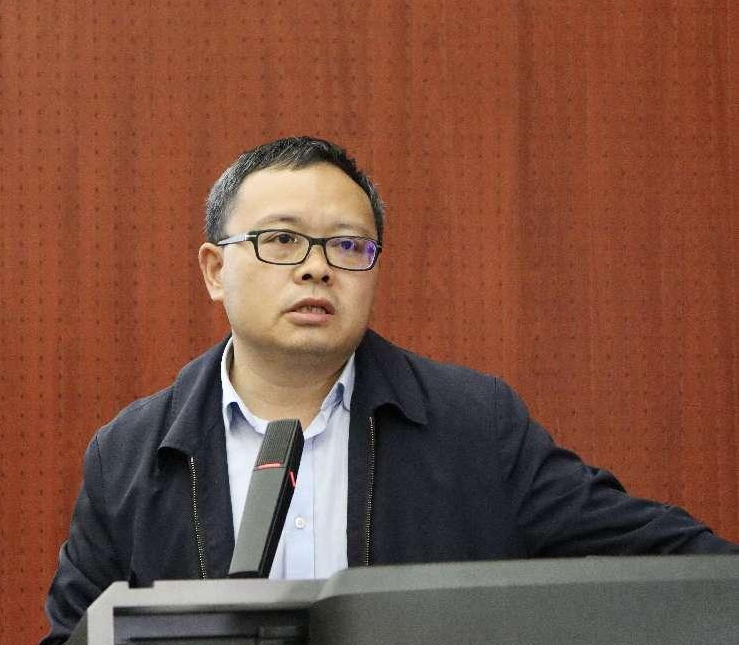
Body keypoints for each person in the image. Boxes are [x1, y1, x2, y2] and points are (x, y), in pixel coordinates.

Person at [41, 136, 738, 644]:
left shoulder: (473, 426)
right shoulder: (129, 455)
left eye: (348, 245)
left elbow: (669, 564)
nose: (317, 268)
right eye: (282, 240)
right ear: (215, 270)